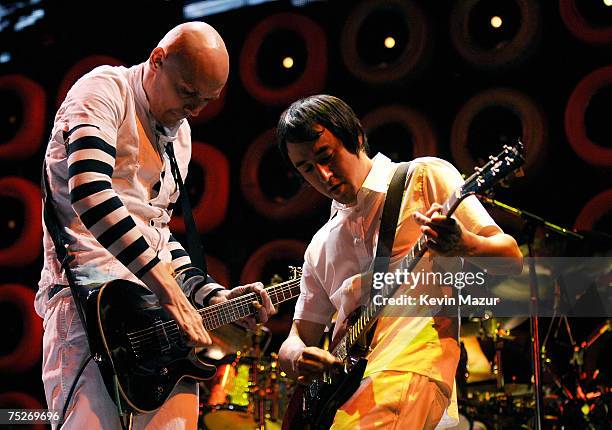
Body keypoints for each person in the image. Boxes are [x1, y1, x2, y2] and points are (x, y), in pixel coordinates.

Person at [36, 22, 275, 429]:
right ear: (157, 60)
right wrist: (171, 294)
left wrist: (209, 294)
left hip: (157, 320)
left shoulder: (180, 137)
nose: (194, 110)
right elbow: (90, 192)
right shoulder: (103, 90)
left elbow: (159, 234)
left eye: (206, 101)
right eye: (187, 94)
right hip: (89, 308)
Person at [276, 95, 523, 429]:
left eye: (326, 156)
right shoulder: (320, 245)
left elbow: (510, 258)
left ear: (357, 138)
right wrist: (297, 356)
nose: (322, 174)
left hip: (412, 366)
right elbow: (297, 337)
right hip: (345, 394)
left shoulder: (422, 178)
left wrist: (466, 243)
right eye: (306, 168)